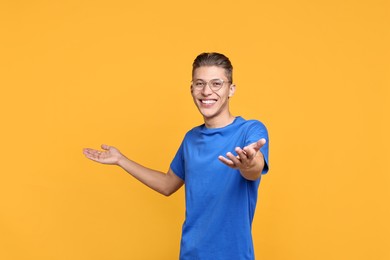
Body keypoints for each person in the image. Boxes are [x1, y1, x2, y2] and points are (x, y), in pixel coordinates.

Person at [83, 52, 269, 260]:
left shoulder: (250, 130)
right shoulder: (191, 139)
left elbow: (254, 170)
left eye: (216, 84)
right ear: (192, 89)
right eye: (200, 84)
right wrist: (121, 160)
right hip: (190, 254)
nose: (207, 91)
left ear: (230, 89)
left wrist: (247, 164)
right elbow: (167, 184)